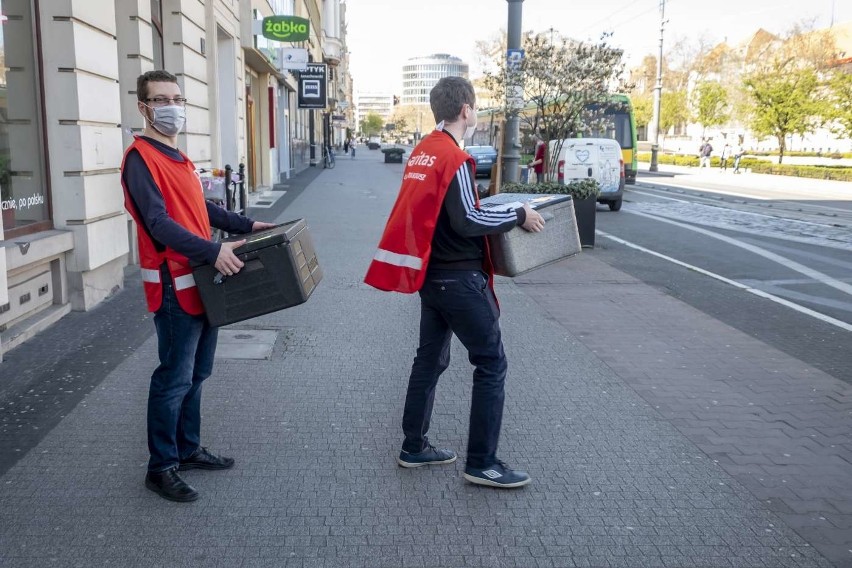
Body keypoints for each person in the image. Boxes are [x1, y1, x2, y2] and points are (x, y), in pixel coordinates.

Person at [364, 77, 546, 489]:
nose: (476, 113)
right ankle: (482, 463)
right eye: (476, 107)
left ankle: (414, 446)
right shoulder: (454, 157)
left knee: (429, 360)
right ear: (466, 109)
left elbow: (443, 211)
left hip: (431, 276)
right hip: (460, 280)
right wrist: (519, 214)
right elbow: (469, 220)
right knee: (491, 363)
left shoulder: (422, 152)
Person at [121, 70, 276, 502]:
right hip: (175, 286)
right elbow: (159, 223)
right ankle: (161, 466)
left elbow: (199, 208)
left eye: (177, 97)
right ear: (144, 107)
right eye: (161, 99)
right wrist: (211, 252)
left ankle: (187, 450)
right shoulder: (140, 158)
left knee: (198, 372)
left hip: (202, 282)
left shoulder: (178, 157)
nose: (172, 105)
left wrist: (247, 224)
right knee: (173, 377)